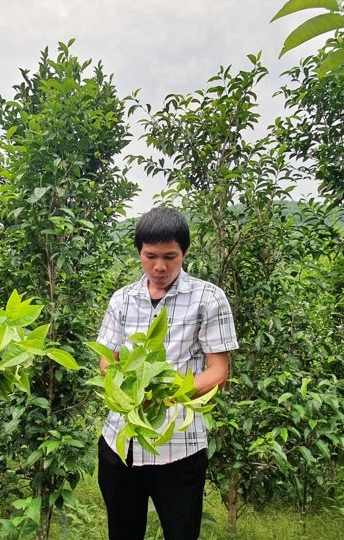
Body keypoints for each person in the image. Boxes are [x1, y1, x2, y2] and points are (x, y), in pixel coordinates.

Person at [95, 206, 238, 540]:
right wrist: (130, 393)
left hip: (179, 449)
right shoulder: (122, 299)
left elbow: (218, 371)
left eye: (170, 257)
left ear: (184, 253)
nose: (159, 267)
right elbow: (106, 361)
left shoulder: (209, 298)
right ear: (139, 252)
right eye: (151, 256)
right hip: (121, 444)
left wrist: (166, 397)